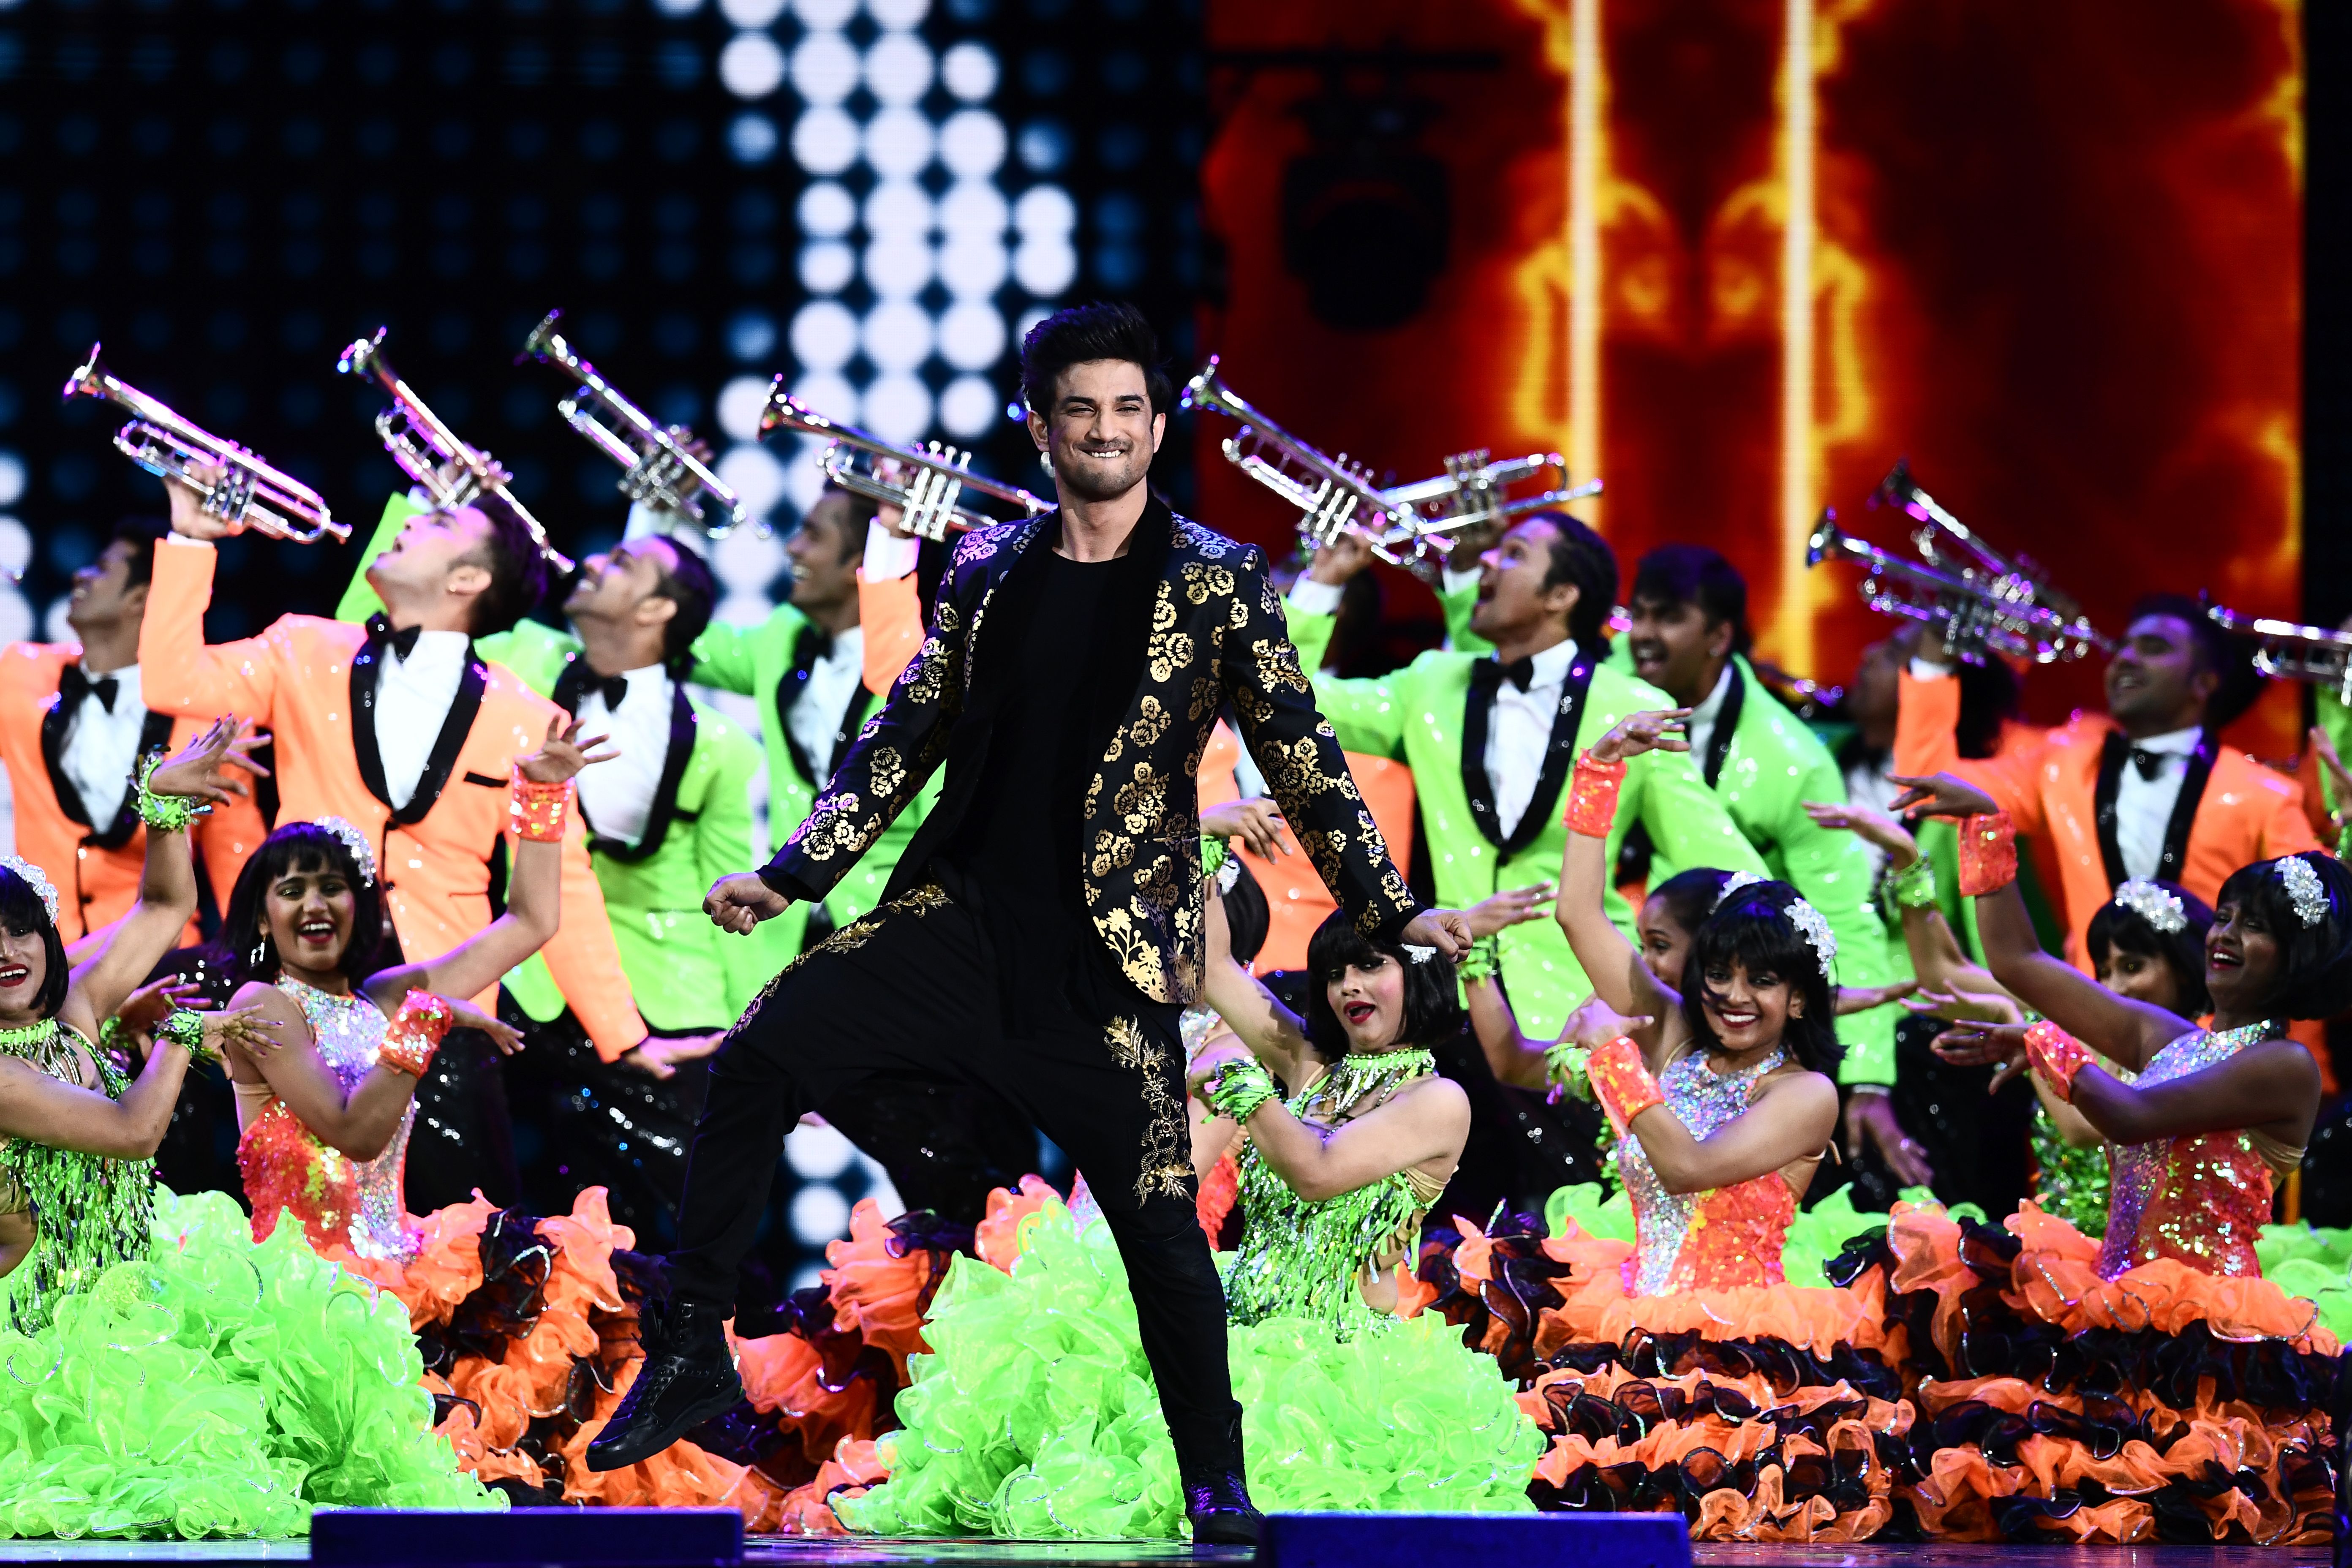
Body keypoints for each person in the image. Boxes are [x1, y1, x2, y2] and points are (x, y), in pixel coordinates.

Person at [587, 302, 1470, 1545]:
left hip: (1105, 960)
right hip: (956, 924)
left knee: (1158, 1224)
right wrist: (794, 873)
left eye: (1128, 409)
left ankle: (1215, 1479)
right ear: (1039, 425)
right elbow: (905, 732)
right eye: (1080, 409)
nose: (1106, 430)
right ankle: (689, 1347)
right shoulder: (986, 567)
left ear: (1154, 427)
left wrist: (1388, 906)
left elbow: (1303, 754)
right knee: (758, 1054)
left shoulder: (1217, 578)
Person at [832, 909, 1541, 1537]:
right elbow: (1214, 964)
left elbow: (1317, 1170)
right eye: (1333, 973)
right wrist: (1206, 838)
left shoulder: (1438, 1099)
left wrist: (1246, 1088)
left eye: (1369, 966)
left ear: (1418, 972)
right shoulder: (1309, 1064)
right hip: (1229, 1332)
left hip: (1337, 1369)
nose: (1346, 986)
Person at [0, 718, 494, 1538]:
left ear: (47, 938)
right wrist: (180, 1035)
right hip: (40, 1340)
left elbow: (165, 905)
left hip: (132, 1306)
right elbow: (133, 1131)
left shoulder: (78, 1009)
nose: (6, 950)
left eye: (19, 929)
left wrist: (163, 808)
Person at [141, 478, 648, 1213]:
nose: (406, 522)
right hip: (291, 962)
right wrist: (191, 537)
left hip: (436, 983)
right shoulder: (304, 648)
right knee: (230, 1154)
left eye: (437, 522)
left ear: (468, 579)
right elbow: (176, 680)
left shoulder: (526, 718)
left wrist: (623, 1038)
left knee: (463, 1217)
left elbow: (558, 887)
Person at [1867, 773, 2338, 1542]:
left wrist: (2041, 1044)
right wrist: (1987, 827)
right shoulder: (2170, 1039)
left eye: (2252, 926)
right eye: (2222, 916)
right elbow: (2018, 960)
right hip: (2111, 1301)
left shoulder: (2286, 1066)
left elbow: (2130, 1114)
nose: (2222, 934)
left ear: (2298, 956)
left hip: (2204, 1335)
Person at [1521, 708, 1908, 1539]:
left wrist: (1612, 1057)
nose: (1734, 995)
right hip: (1625, 1330)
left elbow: (1689, 1166)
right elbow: (1578, 915)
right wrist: (1598, 770)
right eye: (1721, 973)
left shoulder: (1806, 1093)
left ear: (1798, 998)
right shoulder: (1679, 1041)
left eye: (1762, 980)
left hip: (1731, 1359)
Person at [694, 488, 1037, 1232]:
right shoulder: (778, 639)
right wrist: (659, 511)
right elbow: (671, 629)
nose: (793, 548)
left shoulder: (941, 658)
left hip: (916, 944)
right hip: (803, 944)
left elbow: (912, 727)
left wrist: (893, 536)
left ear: (859, 561)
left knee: (969, 1165)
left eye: (814, 535)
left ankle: (1000, 1266)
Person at [1282, 522, 1765, 1045]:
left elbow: (1715, 855)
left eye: (1514, 554)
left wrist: (1784, 962)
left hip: (1584, 1008)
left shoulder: (1629, 707)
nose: (1487, 562)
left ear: (1562, 595)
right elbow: (1289, 703)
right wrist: (1323, 583)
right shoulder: (1431, 682)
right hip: (1446, 1005)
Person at [218, 714, 602, 1261]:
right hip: (301, 1284)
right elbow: (355, 1133)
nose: (315, 905)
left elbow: (530, 923)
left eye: (332, 887)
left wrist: (542, 797)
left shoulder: (384, 997)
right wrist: (427, 1017)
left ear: (360, 908)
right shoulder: (261, 1004)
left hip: (399, 1263)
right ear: (262, 919)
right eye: (293, 891)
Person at [468, 534, 744, 1241]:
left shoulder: (722, 745)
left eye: (621, 563)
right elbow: (378, 623)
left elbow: (742, 908)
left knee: (674, 1232)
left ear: (656, 608)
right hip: (519, 982)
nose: (590, 560)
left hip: (660, 1006)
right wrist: (432, 504)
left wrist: (762, 1037)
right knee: (496, 1219)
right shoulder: (520, 659)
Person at [1618, 545, 1911, 1181]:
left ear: (1719, 636)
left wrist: (1869, 1077)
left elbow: (1842, 916)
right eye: (1637, 614)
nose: (1642, 634)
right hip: (1635, 988)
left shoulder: (1791, 757)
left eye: (1668, 617)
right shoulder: (1608, 691)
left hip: (1735, 1019)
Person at [1893, 594, 2316, 973]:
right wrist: (1933, 660)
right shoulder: (2062, 765)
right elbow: (1926, 785)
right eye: (2122, 647)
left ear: (2203, 683)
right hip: (2092, 1023)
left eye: (2155, 648)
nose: (2126, 658)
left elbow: (2316, 922)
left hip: (2213, 1029)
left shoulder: (2264, 797)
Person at [0, 517, 266, 939]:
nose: (80, 574)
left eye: (103, 568)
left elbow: (238, 866)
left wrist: (257, 960)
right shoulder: (19, 674)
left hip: (158, 964)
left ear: (140, 598)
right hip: (43, 960)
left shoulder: (208, 724)